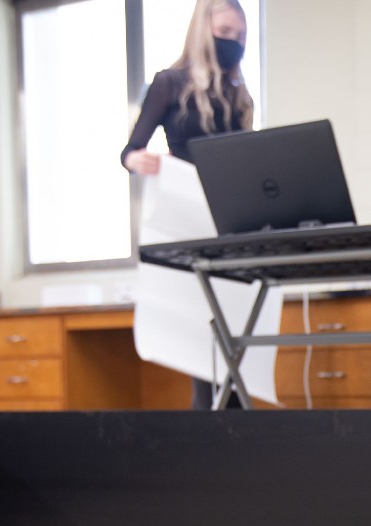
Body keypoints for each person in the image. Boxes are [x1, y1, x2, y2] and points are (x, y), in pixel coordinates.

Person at [122, 0, 252, 409]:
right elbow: (131, 149)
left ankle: (232, 419)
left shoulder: (240, 96)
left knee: (231, 329)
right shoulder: (169, 83)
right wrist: (135, 161)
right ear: (203, 28)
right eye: (225, 32)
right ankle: (211, 426)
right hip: (186, 219)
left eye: (240, 37)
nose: (232, 43)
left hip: (228, 220)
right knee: (199, 332)